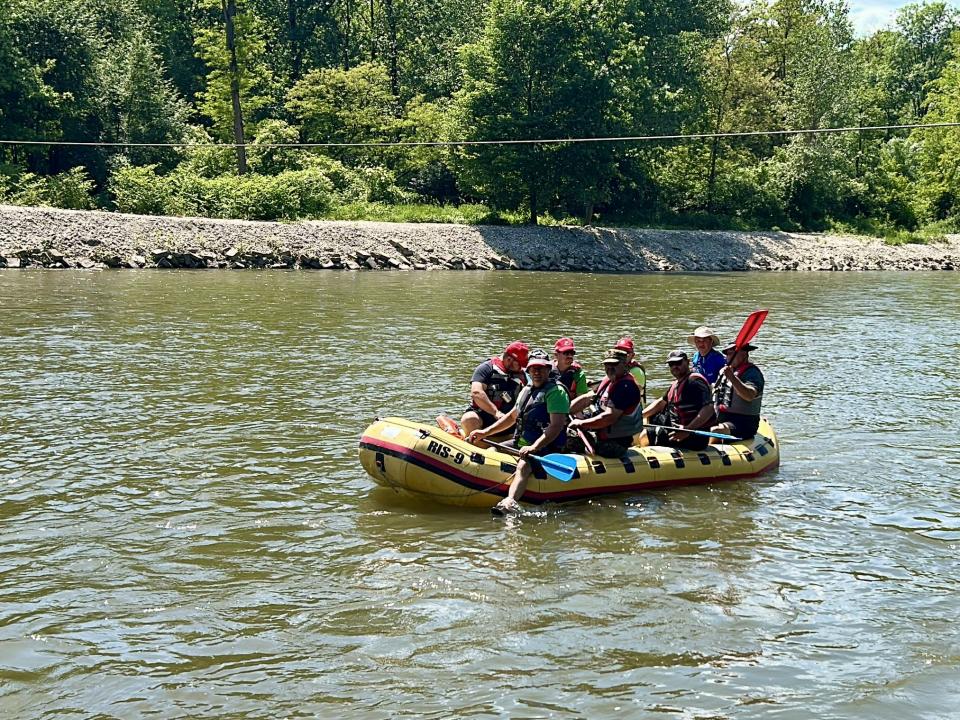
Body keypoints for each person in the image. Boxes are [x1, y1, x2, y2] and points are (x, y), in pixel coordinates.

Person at [467, 350, 570, 514]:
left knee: (523, 465)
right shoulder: (526, 390)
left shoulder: (556, 392)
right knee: (493, 450)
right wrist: (484, 432)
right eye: (533, 368)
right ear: (528, 370)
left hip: (546, 446)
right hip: (522, 442)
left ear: (548, 370)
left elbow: (556, 426)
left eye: (541, 368)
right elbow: (511, 417)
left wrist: (534, 447)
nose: (537, 372)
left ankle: (510, 502)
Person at [567, 348, 644, 458]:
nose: (610, 368)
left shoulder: (626, 386)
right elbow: (587, 398)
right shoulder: (609, 380)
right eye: (607, 365)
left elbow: (609, 417)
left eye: (614, 364)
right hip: (599, 433)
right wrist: (564, 411)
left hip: (615, 443)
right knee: (561, 427)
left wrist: (581, 423)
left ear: (625, 365)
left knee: (567, 440)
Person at [640, 350, 715, 451]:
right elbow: (661, 403)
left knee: (645, 435)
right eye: (671, 364)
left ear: (687, 362)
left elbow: (709, 408)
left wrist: (688, 430)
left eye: (678, 363)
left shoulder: (695, 382)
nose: (675, 366)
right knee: (650, 418)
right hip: (676, 429)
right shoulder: (676, 384)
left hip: (693, 436)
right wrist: (639, 416)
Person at [460, 341, 529, 437]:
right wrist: (496, 413)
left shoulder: (524, 375)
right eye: (520, 364)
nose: (522, 367)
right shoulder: (486, 368)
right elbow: (476, 392)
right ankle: (475, 441)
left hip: (510, 420)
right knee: (469, 418)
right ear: (509, 359)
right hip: (485, 417)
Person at [711, 342, 765, 440]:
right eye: (727, 354)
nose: (728, 357)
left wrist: (732, 377)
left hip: (743, 423)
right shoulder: (724, 371)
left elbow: (749, 396)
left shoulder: (752, 373)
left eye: (732, 353)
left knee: (715, 431)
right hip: (721, 418)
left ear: (744, 354)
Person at [614, 336, 647, 404]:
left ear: (632, 355)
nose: (621, 355)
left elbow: (628, 394)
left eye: (626, 352)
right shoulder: (613, 368)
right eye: (618, 352)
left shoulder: (637, 371)